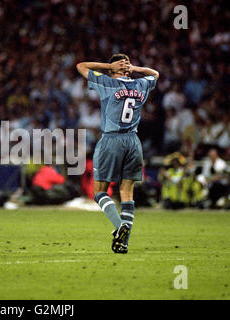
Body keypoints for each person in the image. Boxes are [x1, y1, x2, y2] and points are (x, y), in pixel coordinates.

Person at [76, 53, 159, 253]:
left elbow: (81, 65)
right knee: (127, 193)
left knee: (100, 192)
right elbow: (155, 74)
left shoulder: (107, 83)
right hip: (133, 141)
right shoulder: (140, 85)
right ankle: (123, 242)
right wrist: (135, 69)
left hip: (111, 140)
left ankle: (119, 226)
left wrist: (109, 66)